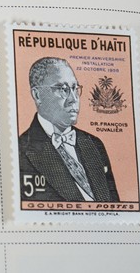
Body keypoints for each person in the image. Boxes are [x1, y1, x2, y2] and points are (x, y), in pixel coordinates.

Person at [18, 57, 119, 202]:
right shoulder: (20, 150)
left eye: (75, 88)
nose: (73, 99)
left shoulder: (94, 144)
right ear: (37, 95)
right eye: (63, 89)